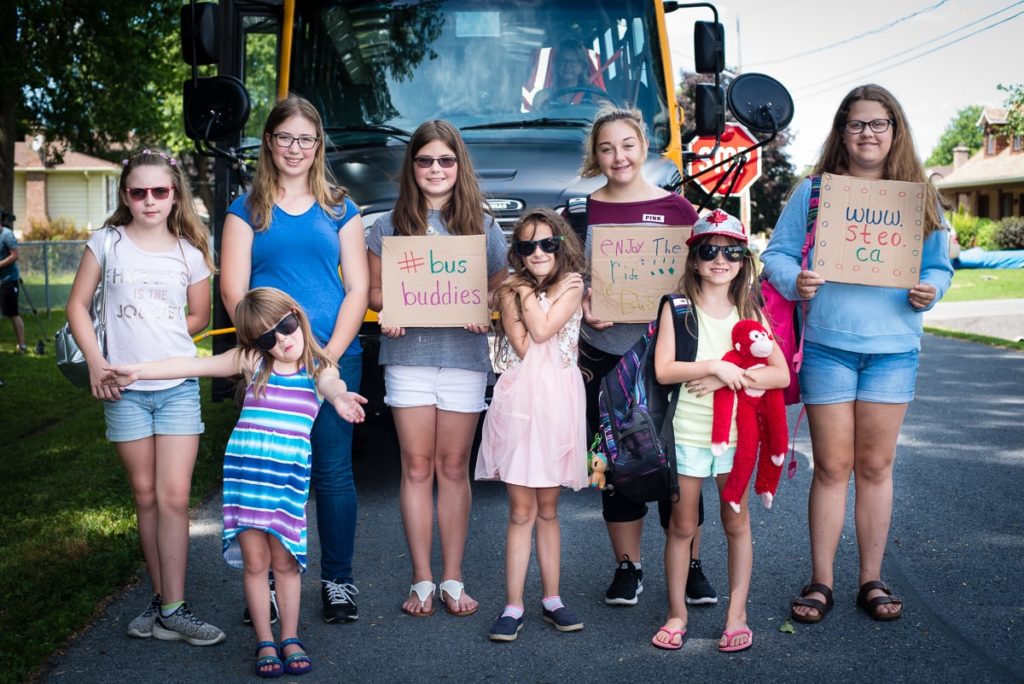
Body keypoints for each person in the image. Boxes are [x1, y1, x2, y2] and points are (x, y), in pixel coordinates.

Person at [761, 84, 954, 624]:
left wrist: (931, 290)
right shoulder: (816, 192)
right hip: (828, 347)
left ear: (895, 132)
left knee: (875, 466)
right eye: (857, 124)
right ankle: (821, 579)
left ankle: (871, 578)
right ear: (842, 133)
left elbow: (939, 266)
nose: (868, 133)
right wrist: (794, 279)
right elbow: (774, 254)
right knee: (832, 466)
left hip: (894, 350)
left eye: (879, 124)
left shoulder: (918, 195)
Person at [103, 288, 366, 676]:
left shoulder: (318, 365)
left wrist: (341, 400)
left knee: (286, 563)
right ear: (255, 343)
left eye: (286, 326)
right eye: (266, 338)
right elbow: (191, 365)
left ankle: (290, 637)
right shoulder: (252, 361)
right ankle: (264, 640)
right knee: (257, 563)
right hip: (246, 478)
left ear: (297, 315)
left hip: (287, 482)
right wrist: (139, 371)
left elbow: (332, 385)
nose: (281, 341)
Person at [65, 149, 224, 645]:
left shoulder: (190, 254)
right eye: (139, 192)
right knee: (147, 497)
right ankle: (162, 603)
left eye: (160, 191)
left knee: (175, 497)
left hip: (177, 388)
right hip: (123, 390)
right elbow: (76, 305)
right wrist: (96, 360)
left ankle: (174, 608)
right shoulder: (106, 243)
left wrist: (163, 339)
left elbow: (197, 317)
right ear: (125, 196)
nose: (150, 200)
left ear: (175, 195)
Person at [221, 96, 370, 624]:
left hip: (333, 355)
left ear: (318, 145)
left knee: (331, 471)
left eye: (305, 139)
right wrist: (277, 349)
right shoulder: (247, 210)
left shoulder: (340, 208)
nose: (295, 148)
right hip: (270, 362)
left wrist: (323, 356)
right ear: (269, 142)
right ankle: (265, 587)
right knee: (270, 472)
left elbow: (358, 287)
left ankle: (337, 582)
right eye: (285, 137)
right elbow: (235, 292)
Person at [576, 107, 717, 608]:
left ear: (644, 146)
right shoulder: (582, 209)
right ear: (596, 155)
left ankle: (692, 563)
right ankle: (627, 567)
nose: (619, 156)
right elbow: (568, 276)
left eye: (628, 145)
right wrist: (585, 301)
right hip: (608, 356)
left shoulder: (680, 211)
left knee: (681, 463)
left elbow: (709, 272)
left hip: (671, 355)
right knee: (617, 460)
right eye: (608, 147)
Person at [367, 120, 508, 618]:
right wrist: (391, 311)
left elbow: (498, 288)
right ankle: (422, 578)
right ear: (413, 167)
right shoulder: (387, 225)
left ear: (458, 166)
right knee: (416, 466)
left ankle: (453, 576)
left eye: (445, 160)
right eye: (425, 160)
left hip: (465, 359)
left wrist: (484, 309)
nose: (435, 169)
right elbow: (376, 292)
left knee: (452, 468)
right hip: (407, 359)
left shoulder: (483, 225)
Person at [649, 210, 789, 652]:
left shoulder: (751, 309)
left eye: (732, 251)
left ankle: (737, 614)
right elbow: (665, 369)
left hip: (737, 439)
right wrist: (715, 366)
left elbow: (780, 375)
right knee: (682, 525)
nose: (720, 260)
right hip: (688, 435)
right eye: (710, 250)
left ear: (744, 260)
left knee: (736, 522)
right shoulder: (678, 307)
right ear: (694, 259)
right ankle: (677, 613)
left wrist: (727, 378)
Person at [475, 209, 589, 642]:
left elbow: (541, 331)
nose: (537, 252)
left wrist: (521, 296)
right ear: (518, 253)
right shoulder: (511, 291)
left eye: (547, 244)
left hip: (558, 403)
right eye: (526, 247)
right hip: (520, 402)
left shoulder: (574, 285)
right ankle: (513, 604)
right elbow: (522, 346)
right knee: (520, 511)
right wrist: (517, 295)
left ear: (562, 245)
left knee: (548, 510)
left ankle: (553, 599)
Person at [533, 39, 608, 110]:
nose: (567, 66)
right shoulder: (543, 98)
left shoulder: (596, 96)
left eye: (573, 62)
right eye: (563, 61)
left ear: (582, 66)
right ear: (556, 65)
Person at [0, 211, 26, 354]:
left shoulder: (7, 235)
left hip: (9, 281)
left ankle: (21, 346)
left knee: (12, 313)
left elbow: (15, 255)